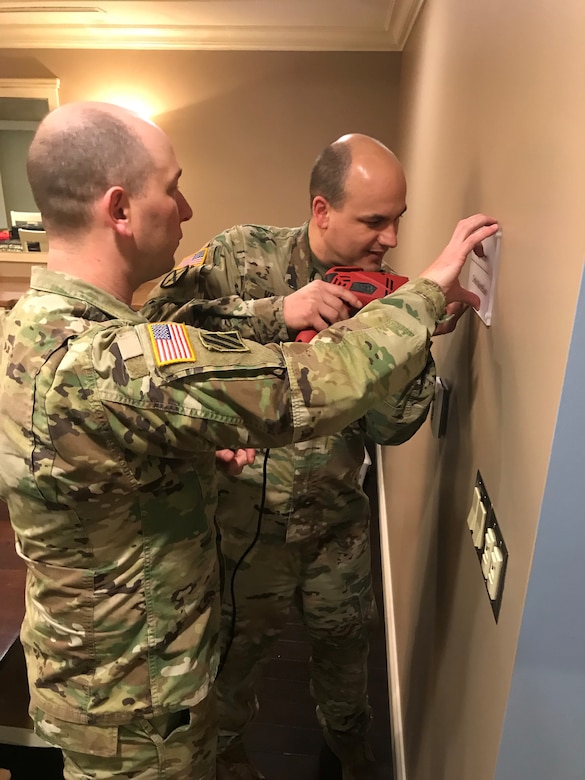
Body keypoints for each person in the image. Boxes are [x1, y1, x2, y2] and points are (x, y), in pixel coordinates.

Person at [0, 102, 493, 780]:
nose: (186, 207)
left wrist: (192, 436)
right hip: (138, 707)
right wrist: (427, 293)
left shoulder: (38, 324)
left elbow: (119, 432)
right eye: (171, 187)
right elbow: (309, 384)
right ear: (119, 209)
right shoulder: (112, 362)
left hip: (118, 679)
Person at [142, 134, 478, 780]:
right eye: (373, 221)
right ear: (322, 210)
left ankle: (349, 762)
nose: (390, 238)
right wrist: (275, 314)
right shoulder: (241, 255)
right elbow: (155, 331)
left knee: (347, 680)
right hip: (244, 530)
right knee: (229, 681)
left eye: (397, 221)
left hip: (335, 526)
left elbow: (394, 427)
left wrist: (405, 342)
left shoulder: (388, 295)